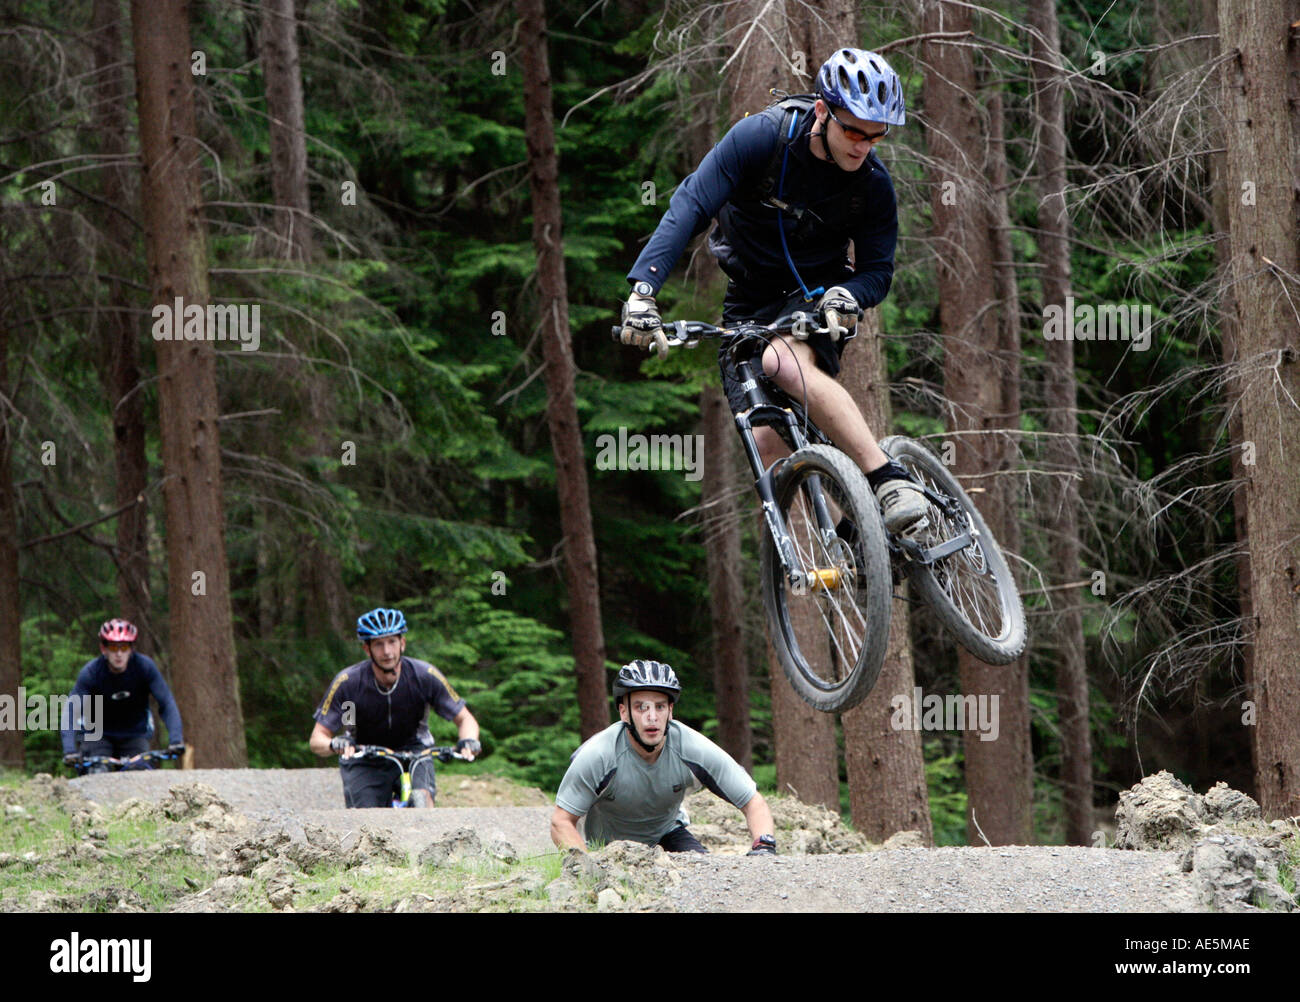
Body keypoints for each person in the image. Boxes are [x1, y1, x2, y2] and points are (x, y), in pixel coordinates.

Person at [619, 47, 926, 534]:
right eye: (853, 130)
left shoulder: (873, 186)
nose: (863, 146)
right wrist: (643, 291)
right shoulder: (762, 138)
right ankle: (861, 534)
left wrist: (848, 296)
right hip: (748, 298)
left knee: (781, 362)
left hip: (818, 293)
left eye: (876, 136)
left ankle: (890, 479)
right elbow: (692, 202)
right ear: (822, 111)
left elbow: (876, 272)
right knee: (766, 442)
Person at [551, 660, 776, 856]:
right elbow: (561, 822)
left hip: (667, 835)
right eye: (641, 707)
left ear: (670, 711)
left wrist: (764, 845)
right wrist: (588, 866)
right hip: (605, 847)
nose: (652, 718)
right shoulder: (598, 755)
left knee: (704, 872)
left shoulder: (692, 747)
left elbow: (753, 801)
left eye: (660, 707)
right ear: (623, 712)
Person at [309, 607, 481, 808]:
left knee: (424, 806)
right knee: (367, 824)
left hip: (416, 751)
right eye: (379, 644)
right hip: (364, 755)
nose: (387, 651)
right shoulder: (349, 683)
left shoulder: (424, 675)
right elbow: (317, 738)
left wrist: (469, 741)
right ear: (367, 649)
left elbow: (465, 719)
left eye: (392, 641)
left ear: (403, 644)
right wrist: (334, 744)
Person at [60, 619, 185, 773]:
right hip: (97, 735)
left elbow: (166, 703)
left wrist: (176, 740)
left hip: (134, 734)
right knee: (97, 774)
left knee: (139, 775)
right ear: (103, 649)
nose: (119, 654)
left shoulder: (145, 668)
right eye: (113, 647)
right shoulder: (91, 673)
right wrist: (69, 749)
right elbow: (71, 710)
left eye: (124, 647)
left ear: (131, 649)